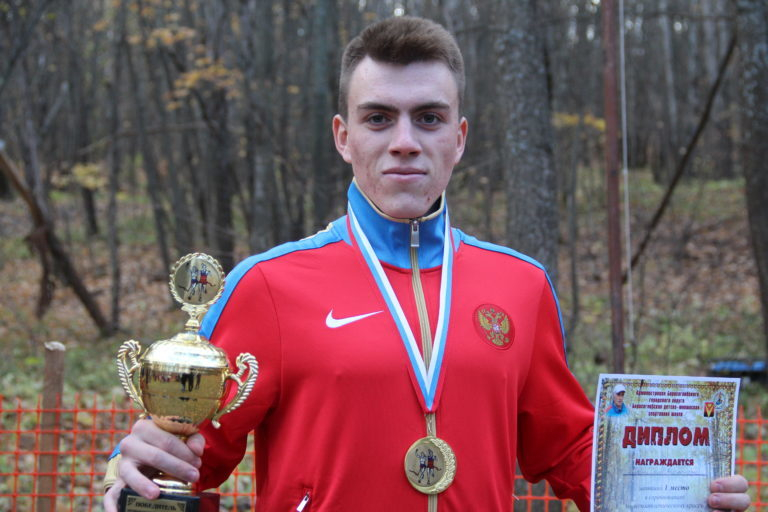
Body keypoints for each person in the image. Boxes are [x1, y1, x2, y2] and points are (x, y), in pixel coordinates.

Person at [104, 16, 751, 512]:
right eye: (379, 118)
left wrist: (683, 492)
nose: (405, 142)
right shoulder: (270, 286)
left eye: (429, 118)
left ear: (459, 138)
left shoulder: (521, 286)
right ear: (343, 136)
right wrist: (135, 472)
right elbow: (187, 452)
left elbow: (566, 446)